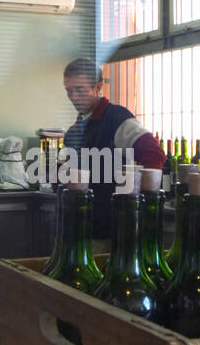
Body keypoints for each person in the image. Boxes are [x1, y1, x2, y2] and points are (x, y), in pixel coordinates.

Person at [61, 57, 165, 240]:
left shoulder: (116, 119)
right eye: (69, 91)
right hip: (80, 228)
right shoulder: (75, 130)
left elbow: (153, 154)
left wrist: (138, 198)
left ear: (98, 87)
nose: (73, 97)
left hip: (110, 230)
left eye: (80, 90)